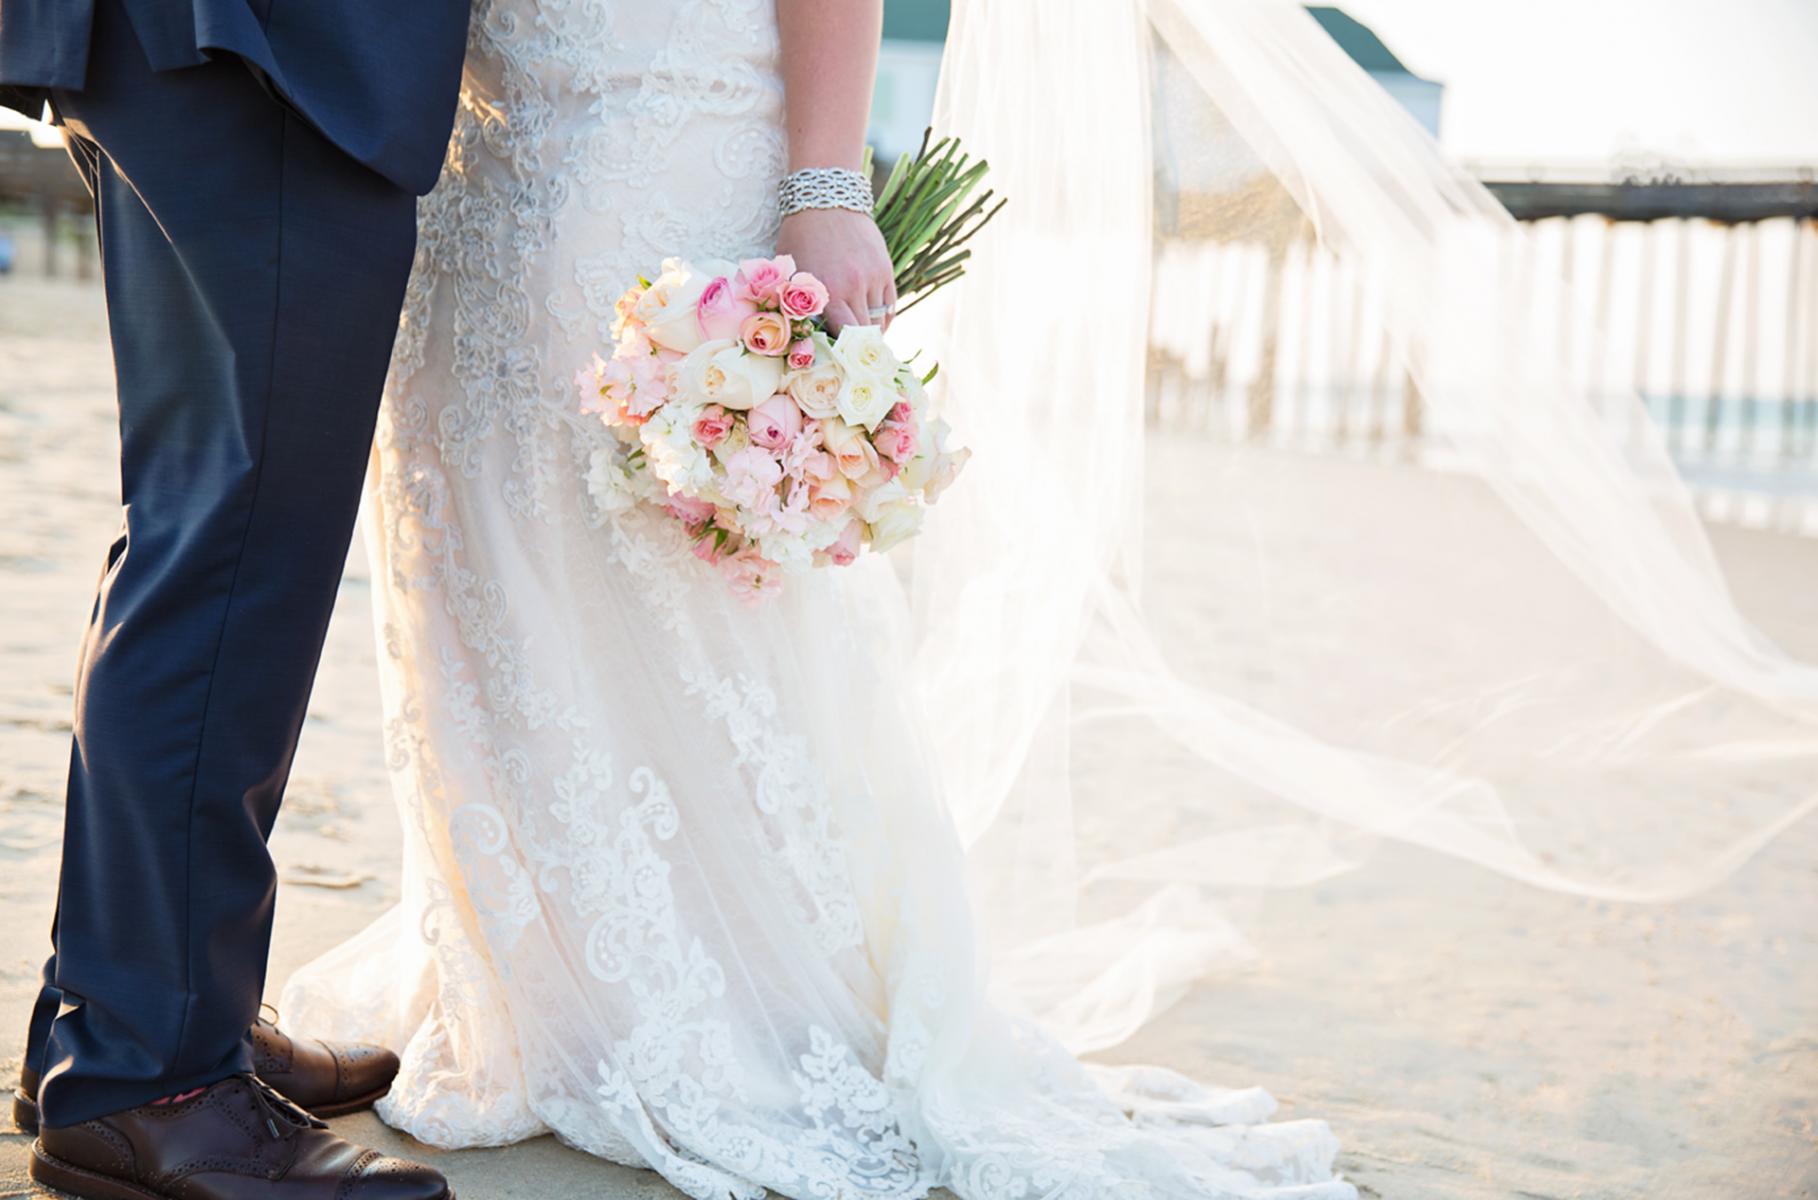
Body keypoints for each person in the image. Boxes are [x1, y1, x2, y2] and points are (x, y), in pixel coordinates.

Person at [0, 0, 471, 1196]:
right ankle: (151, 1078)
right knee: (231, 555)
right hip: (264, 51)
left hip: (200, 47)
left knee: (195, 537)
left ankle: (118, 1012)